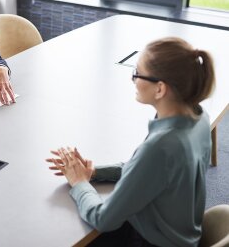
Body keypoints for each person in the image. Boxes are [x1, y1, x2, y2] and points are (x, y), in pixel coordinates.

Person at [47, 37, 215, 246]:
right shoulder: (198, 117)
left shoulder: (161, 146)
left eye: (137, 73)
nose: (133, 80)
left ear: (160, 89)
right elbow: (147, 171)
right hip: (182, 235)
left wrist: (79, 183)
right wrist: (94, 173)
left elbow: (103, 219)